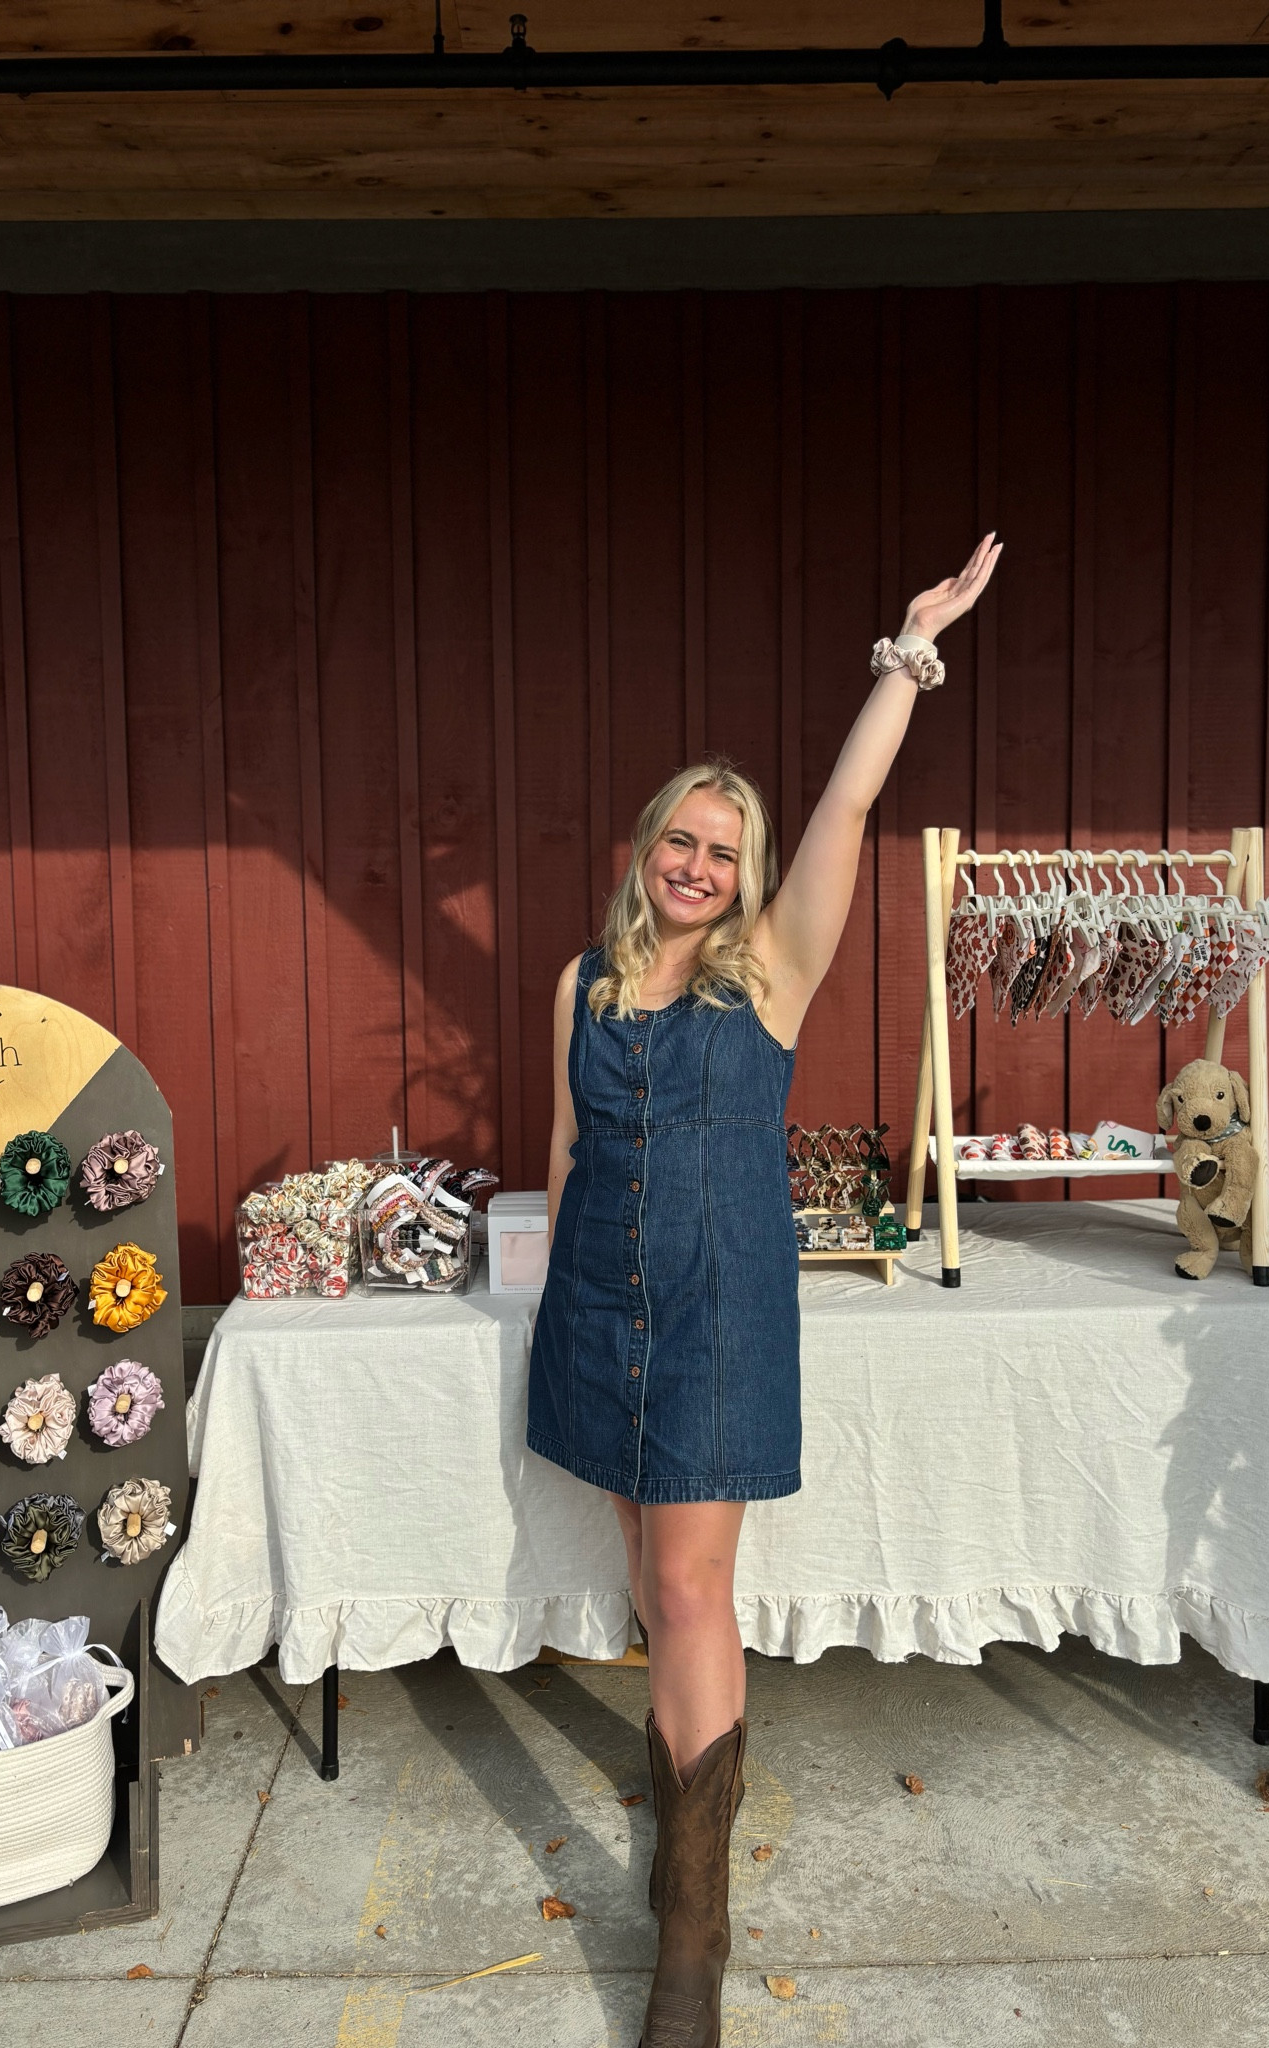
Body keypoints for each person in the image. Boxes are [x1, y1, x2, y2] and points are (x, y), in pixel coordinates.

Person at [527, 534, 1002, 2047]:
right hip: (599, 1318)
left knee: (688, 1587)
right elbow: (563, 1154)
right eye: (685, 837)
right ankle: (686, 1791)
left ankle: (694, 1924)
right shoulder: (581, 989)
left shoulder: (772, 974)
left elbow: (851, 803)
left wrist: (905, 655)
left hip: (723, 1321)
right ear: (646, 844)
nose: (700, 865)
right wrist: (544, 1304)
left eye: (725, 850)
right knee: (647, 1588)